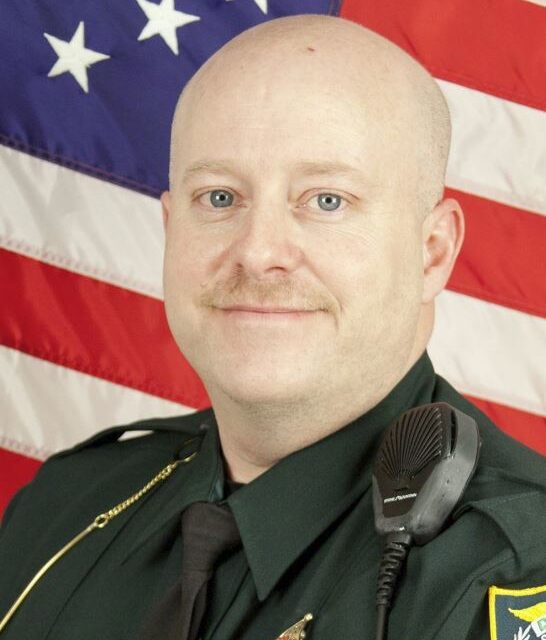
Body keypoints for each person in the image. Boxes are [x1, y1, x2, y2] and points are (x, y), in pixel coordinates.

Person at [0, 13, 544, 640]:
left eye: (326, 200)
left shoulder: (508, 568)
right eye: (220, 197)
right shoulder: (66, 508)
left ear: (432, 252)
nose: (258, 252)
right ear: (171, 230)